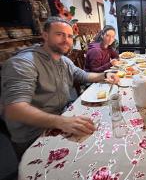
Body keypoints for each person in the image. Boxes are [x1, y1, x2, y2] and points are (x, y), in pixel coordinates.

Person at [0, 17, 119, 159]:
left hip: (60, 118)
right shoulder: (23, 63)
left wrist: (105, 75)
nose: (66, 39)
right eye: (59, 34)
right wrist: (61, 121)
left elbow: (83, 75)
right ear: (45, 35)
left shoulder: (63, 60)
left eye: (69, 36)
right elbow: (14, 110)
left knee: (102, 139)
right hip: (34, 134)